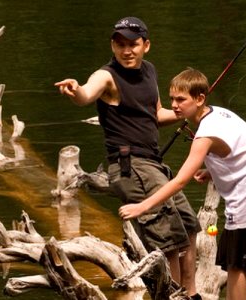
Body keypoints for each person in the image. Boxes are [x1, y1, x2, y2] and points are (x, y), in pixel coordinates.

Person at [55, 17, 202, 299]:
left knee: (190, 226)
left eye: (133, 44)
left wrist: (190, 110)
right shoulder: (107, 76)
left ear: (146, 45)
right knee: (167, 240)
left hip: (153, 164)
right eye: (120, 44)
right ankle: (170, 296)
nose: (127, 51)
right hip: (130, 167)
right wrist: (76, 91)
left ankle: (191, 294)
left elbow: (156, 115)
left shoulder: (149, 71)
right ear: (113, 45)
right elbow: (86, 94)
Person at [118, 68, 246, 300]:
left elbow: (179, 182)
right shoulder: (218, 113)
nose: (175, 105)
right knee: (236, 262)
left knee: (236, 264)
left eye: (181, 99)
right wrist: (211, 171)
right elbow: (238, 149)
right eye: (172, 99)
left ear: (199, 99)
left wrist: (142, 207)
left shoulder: (205, 134)